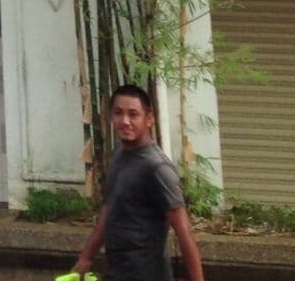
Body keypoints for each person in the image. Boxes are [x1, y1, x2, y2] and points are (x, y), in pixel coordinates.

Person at [72, 83, 205, 281]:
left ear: (149, 119)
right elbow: (110, 207)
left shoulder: (158, 168)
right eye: (118, 113)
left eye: (133, 114)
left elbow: (184, 232)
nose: (125, 121)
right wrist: (86, 257)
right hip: (117, 272)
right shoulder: (119, 153)